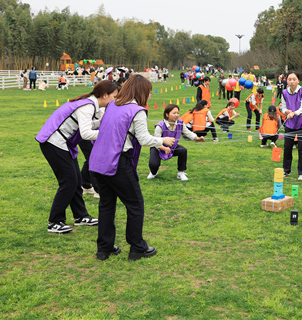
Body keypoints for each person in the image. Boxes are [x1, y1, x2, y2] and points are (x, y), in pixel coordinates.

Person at [90, 75, 175, 261]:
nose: (150, 95)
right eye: (149, 92)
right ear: (141, 91)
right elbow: (143, 138)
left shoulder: (112, 105)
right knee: (135, 204)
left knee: (106, 204)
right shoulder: (137, 111)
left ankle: (104, 248)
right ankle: (137, 247)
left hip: (98, 161)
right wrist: (162, 140)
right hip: (117, 162)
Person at [36, 80, 119, 234]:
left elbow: (84, 126)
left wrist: (99, 123)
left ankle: (81, 216)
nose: (115, 100)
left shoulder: (90, 104)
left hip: (62, 144)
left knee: (76, 181)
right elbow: (85, 133)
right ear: (104, 95)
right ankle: (55, 221)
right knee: (68, 182)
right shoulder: (88, 106)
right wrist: (107, 134)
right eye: (114, 97)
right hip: (53, 143)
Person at [147, 104, 205, 181]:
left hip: (172, 147)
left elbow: (188, 133)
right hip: (158, 147)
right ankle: (153, 172)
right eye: (174, 113)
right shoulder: (160, 126)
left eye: (177, 113)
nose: (176, 115)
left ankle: (181, 172)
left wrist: (197, 138)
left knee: (183, 150)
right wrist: (164, 148)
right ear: (167, 114)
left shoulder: (180, 123)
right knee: (153, 164)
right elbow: (156, 142)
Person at [281, 73, 302, 181]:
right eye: (289, 79)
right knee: (287, 147)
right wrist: (287, 111)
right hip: (290, 121)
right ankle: (286, 170)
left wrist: (294, 113)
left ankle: (301, 173)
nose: (292, 81)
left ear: (298, 81)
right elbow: (283, 107)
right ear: (287, 81)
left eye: (294, 79)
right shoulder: (284, 92)